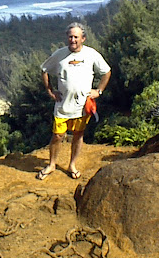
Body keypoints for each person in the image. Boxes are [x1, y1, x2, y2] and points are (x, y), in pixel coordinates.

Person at [37, 22, 111, 180]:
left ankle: (72, 165)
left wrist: (99, 91)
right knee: (58, 135)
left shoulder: (91, 54)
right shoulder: (59, 54)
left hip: (82, 106)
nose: (73, 40)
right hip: (62, 106)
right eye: (70, 36)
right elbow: (44, 69)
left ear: (83, 38)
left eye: (76, 37)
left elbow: (106, 72)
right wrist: (50, 90)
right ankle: (51, 165)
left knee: (78, 134)